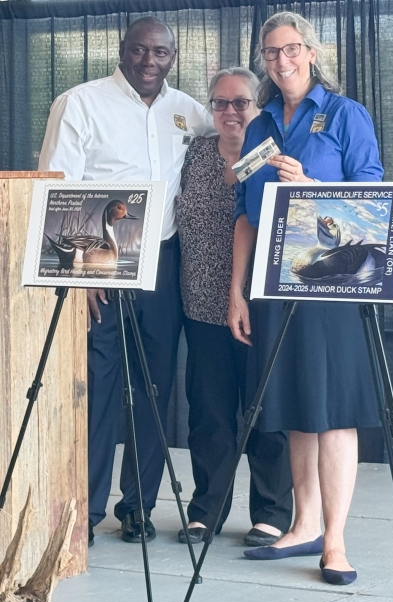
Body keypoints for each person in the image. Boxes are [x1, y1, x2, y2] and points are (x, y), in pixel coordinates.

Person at [38, 16, 214, 546]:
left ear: (173, 57)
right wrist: (81, 273)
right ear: (122, 50)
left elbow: (232, 135)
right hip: (99, 266)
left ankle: (137, 506)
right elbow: (56, 185)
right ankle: (85, 513)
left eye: (160, 53)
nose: (148, 62)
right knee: (95, 389)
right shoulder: (80, 103)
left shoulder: (189, 111)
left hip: (161, 263)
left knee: (154, 390)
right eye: (139, 51)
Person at [228, 12, 383, 584]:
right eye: (271, 53)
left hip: (333, 284)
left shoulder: (345, 114)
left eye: (291, 49)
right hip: (272, 282)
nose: (282, 61)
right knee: (295, 405)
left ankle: (335, 542)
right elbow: (245, 216)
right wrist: (236, 292)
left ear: (312, 53)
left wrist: (314, 190)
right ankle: (303, 524)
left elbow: (373, 195)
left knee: (335, 410)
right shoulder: (258, 123)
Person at [175, 68, 293, 547]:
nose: (229, 112)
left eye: (240, 103)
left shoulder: (272, 155)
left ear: (257, 106)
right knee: (210, 412)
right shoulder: (192, 154)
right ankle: (207, 509)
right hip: (201, 302)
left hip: (261, 302)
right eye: (220, 103)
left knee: (267, 408)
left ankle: (272, 512)